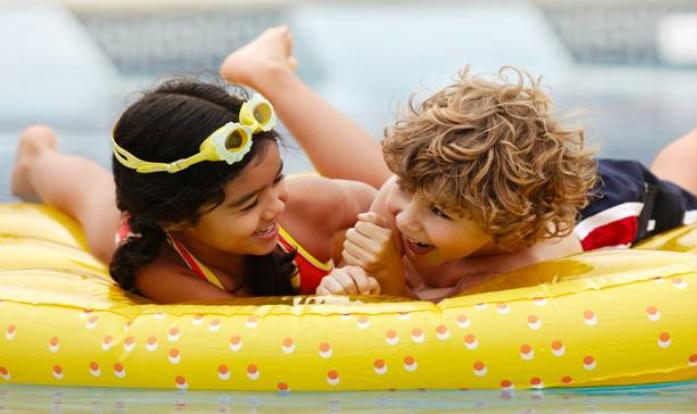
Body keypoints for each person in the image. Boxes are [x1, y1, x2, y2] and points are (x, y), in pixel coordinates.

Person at [220, 26, 697, 300]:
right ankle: (270, 77)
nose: (404, 218)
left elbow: (423, 321)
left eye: (439, 213)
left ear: (502, 227)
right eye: (405, 186)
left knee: (679, 177)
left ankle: (273, 77)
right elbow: (379, 236)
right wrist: (358, 269)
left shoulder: (524, 264)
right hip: (502, 186)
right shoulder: (410, 203)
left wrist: (388, 276)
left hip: (623, 196)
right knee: (411, 191)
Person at [10, 78, 378, 302]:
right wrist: (334, 296)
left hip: (181, 201)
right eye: (248, 204)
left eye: (277, 179)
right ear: (177, 220)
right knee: (91, 190)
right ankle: (35, 157)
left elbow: (388, 200)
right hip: (146, 230)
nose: (275, 207)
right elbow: (251, 323)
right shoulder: (157, 269)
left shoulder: (310, 203)